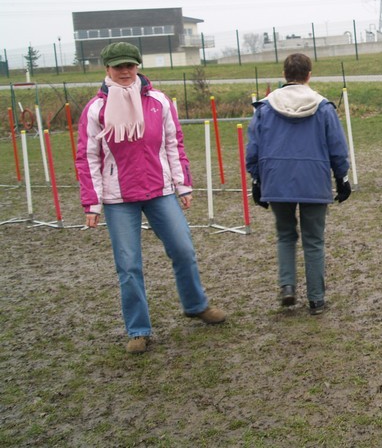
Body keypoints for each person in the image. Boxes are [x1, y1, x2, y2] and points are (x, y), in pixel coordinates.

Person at [76, 42, 226, 355]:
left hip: (159, 190)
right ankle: (139, 330)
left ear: (138, 66)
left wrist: (182, 184)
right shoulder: (95, 109)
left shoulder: (159, 101)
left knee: (184, 249)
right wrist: (92, 203)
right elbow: (87, 156)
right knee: (128, 265)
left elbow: (174, 143)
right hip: (119, 199)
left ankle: (196, 305)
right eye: (119, 67)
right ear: (107, 69)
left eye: (130, 65)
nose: (126, 72)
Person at [246, 53, 350, 315]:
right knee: (314, 240)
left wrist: (257, 179)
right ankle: (316, 299)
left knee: (285, 235)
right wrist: (342, 177)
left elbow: (253, 149)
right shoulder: (323, 108)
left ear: (284, 75)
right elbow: (337, 147)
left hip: (277, 180)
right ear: (309, 75)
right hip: (314, 180)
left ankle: (288, 287)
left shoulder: (265, 109)